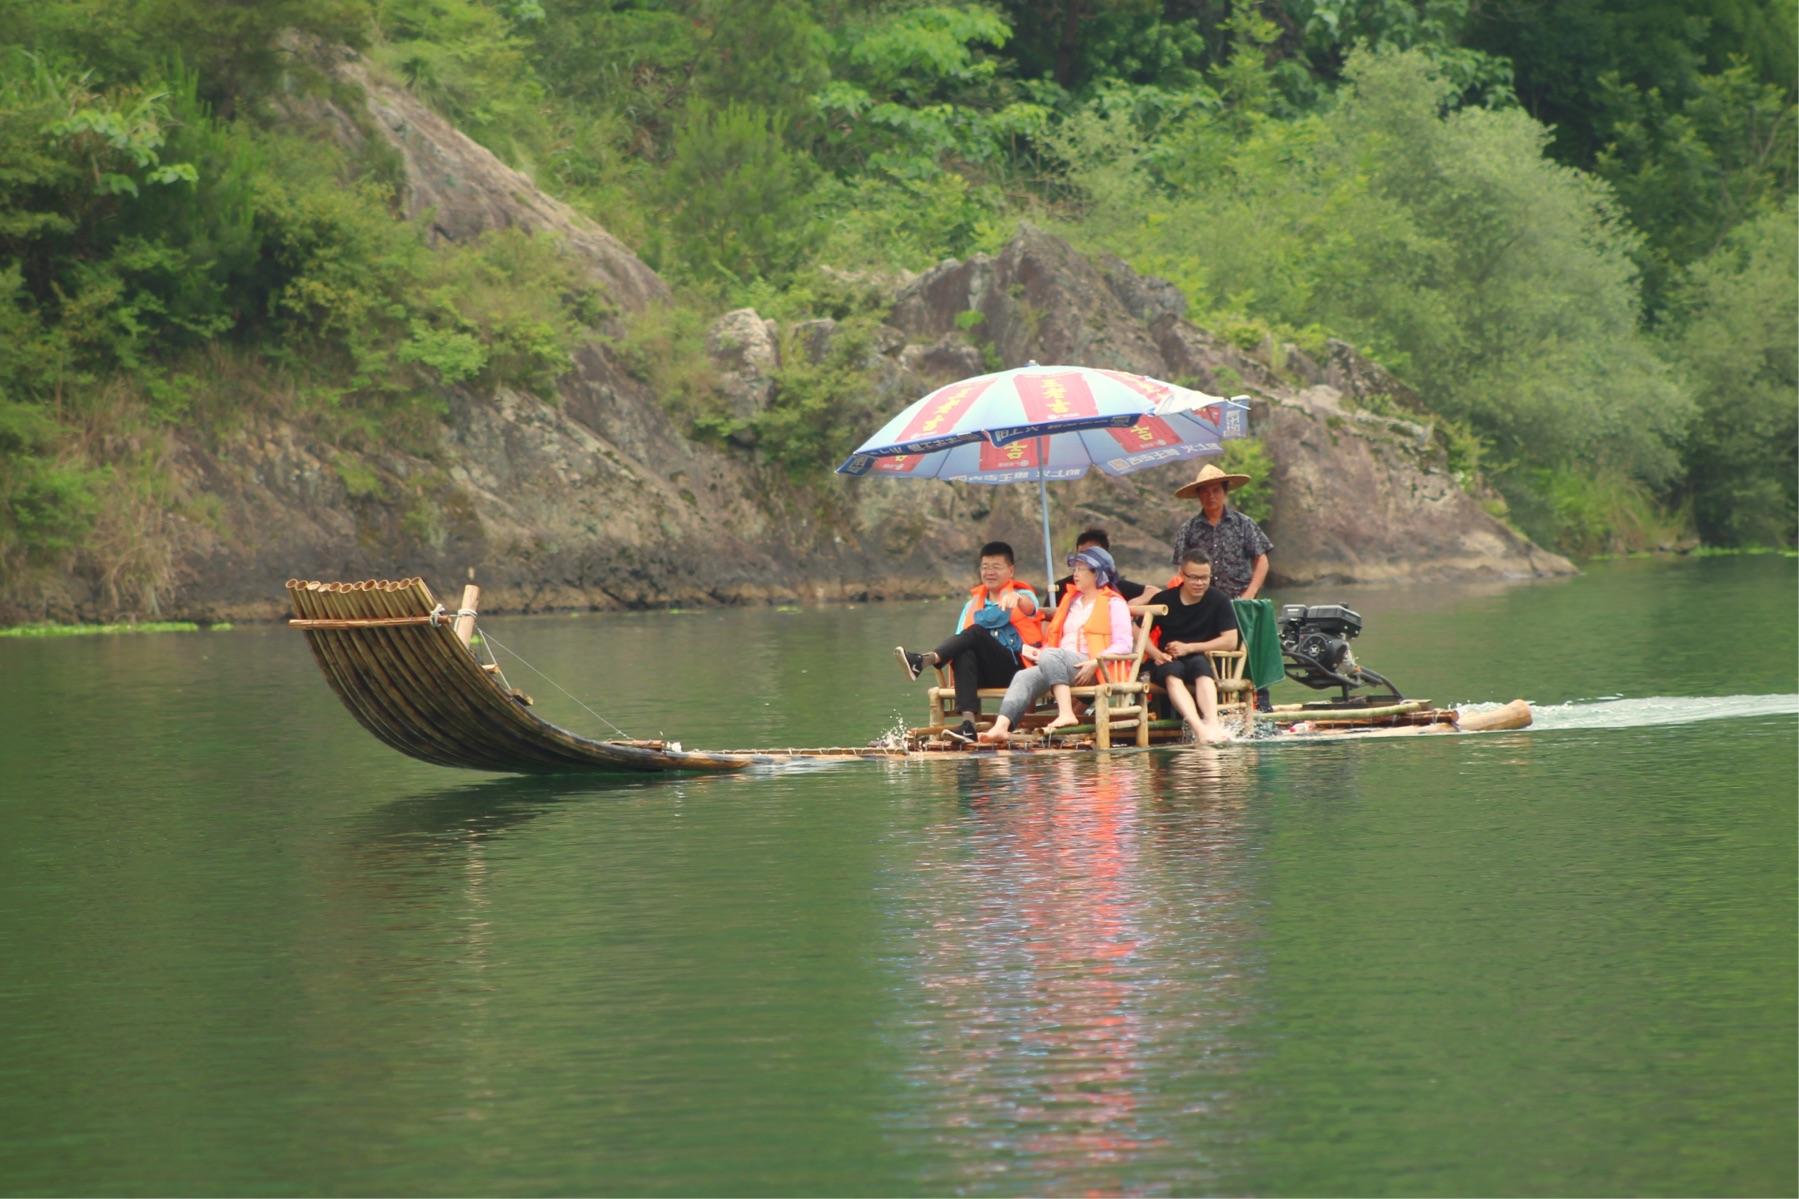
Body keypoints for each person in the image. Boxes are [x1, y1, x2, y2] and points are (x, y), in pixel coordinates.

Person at [979, 546, 1133, 743]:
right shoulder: (1072, 601)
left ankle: (1066, 713)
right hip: (1060, 664)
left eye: (1080, 570)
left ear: (1097, 573)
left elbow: (1124, 644)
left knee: (1050, 655)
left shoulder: (1114, 603)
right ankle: (1001, 727)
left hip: (1096, 667)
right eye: (1074, 569)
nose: (1074, 574)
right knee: (1023, 676)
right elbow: (1039, 618)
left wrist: (1096, 662)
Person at [895, 542, 1043, 741]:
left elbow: (1031, 608)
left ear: (1011, 570)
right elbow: (959, 641)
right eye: (985, 567)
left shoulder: (1023, 595)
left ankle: (924, 660)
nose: (989, 572)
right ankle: (968, 725)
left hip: (1018, 672)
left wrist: (1015, 598)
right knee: (964, 650)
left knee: (975, 631)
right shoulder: (971, 605)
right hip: (982, 674)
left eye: (996, 567)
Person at [1144, 553, 1240, 744]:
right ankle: (1199, 728)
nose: (1199, 583)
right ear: (1181, 574)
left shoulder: (1218, 599)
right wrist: (1156, 653)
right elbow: (1136, 628)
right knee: (1172, 673)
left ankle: (1212, 723)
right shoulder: (1165, 599)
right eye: (1194, 577)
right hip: (1169, 659)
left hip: (1202, 656)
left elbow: (1230, 640)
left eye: (1205, 578)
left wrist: (1189, 647)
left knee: (1201, 669)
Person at [1169, 462, 1271, 602]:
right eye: (1205, 492)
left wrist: (1250, 593)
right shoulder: (1188, 529)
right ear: (1199, 495)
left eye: (1216, 490)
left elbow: (1261, 559)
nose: (1210, 496)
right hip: (1203, 605)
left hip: (1240, 601)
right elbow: (1182, 568)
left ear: (1225, 492)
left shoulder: (1243, 523)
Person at [1050, 528, 1148, 604]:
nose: (1084, 560)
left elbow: (1154, 592)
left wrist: (1135, 602)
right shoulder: (1061, 587)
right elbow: (1045, 623)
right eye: (1081, 556)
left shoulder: (1116, 588)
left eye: (1092, 556)